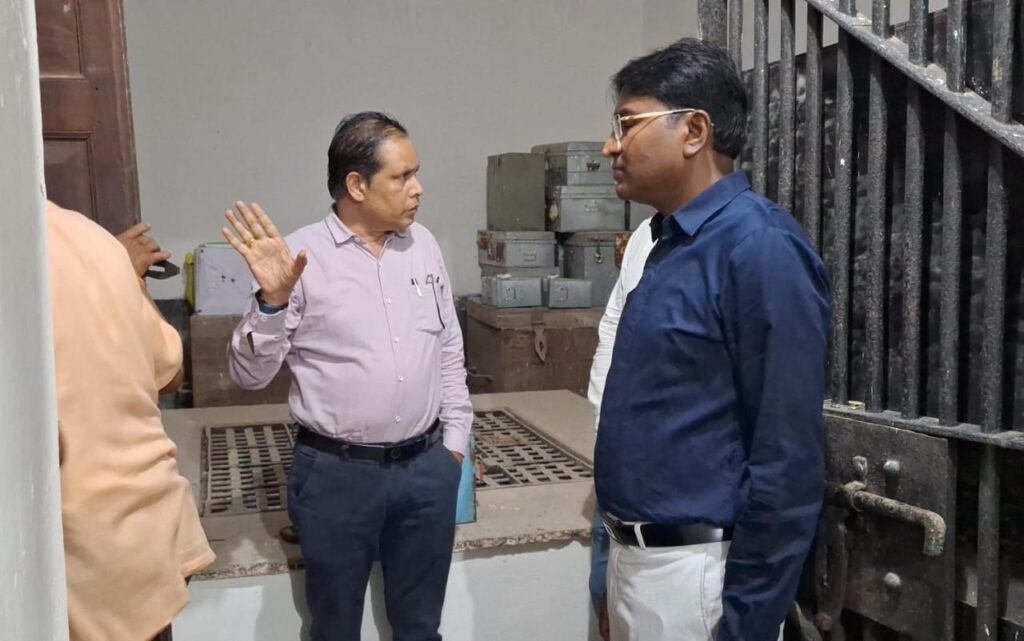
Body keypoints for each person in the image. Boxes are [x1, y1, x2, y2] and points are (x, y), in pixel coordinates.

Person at [594, 38, 832, 641]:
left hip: (698, 577)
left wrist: (749, 619)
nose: (610, 146)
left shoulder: (760, 248)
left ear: (694, 131)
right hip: (640, 564)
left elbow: (786, 458)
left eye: (627, 124)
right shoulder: (668, 242)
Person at [224, 111, 471, 641]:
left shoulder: (423, 246)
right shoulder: (299, 258)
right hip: (337, 476)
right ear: (357, 185)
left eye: (415, 173)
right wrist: (272, 301)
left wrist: (454, 445)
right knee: (335, 628)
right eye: (402, 176)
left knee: (421, 628)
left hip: (427, 469)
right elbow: (247, 376)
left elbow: (448, 348)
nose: (418, 188)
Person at [46, 201, 214, 641]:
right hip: (148, 534)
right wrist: (124, 275)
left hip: (83, 560)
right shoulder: (92, 239)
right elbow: (169, 371)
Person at [586, 216, 656, 641]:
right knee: (608, 601)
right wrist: (604, 427)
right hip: (616, 465)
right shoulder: (645, 235)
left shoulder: (742, 240)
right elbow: (611, 329)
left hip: (676, 519)